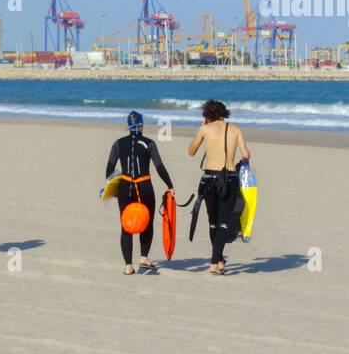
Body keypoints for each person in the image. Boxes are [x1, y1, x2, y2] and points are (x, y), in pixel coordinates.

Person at [105, 111, 174, 274]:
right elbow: (159, 167)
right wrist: (170, 185)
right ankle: (143, 258)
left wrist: (113, 188)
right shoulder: (149, 143)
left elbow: (109, 170)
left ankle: (128, 266)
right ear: (141, 125)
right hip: (144, 186)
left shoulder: (118, 143)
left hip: (124, 186)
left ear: (129, 126)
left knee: (126, 225)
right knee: (147, 222)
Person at [187, 99, 250, 275]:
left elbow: (191, 151)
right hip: (229, 178)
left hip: (210, 179)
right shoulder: (235, 129)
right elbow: (246, 154)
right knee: (223, 222)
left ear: (207, 114)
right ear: (224, 113)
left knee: (213, 222)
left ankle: (216, 261)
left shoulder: (204, 129)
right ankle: (218, 261)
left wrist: (202, 127)